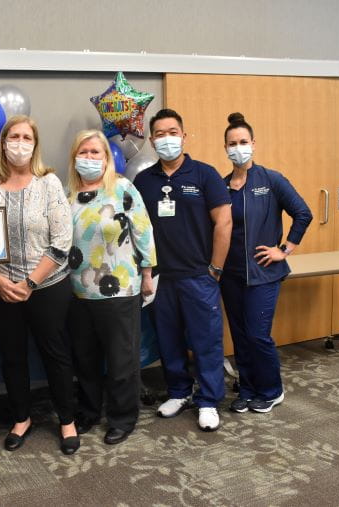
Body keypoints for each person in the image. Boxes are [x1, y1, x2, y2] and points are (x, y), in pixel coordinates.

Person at [0, 115, 80, 455]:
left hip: (47, 285)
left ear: (35, 144)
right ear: (3, 142)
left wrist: (30, 283)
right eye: (13, 136)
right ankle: (21, 418)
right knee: (12, 355)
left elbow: (62, 241)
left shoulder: (48, 183)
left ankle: (67, 420)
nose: (19, 143)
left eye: (26, 137)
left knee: (56, 353)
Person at [133, 108, 232, 432]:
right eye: (160, 134)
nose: (166, 139)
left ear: (184, 136)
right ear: (151, 140)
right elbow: (136, 229)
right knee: (168, 340)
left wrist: (215, 269)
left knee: (206, 342)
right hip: (161, 278)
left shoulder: (205, 175)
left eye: (172, 132)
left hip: (198, 277)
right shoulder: (143, 181)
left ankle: (208, 400)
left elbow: (224, 222)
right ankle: (179, 391)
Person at [66, 130, 157, 445]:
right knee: (86, 360)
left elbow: (143, 231)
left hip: (120, 290)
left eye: (96, 153)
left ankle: (122, 418)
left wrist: (147, 273)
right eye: (84, 152)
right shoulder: (69, 195)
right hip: (78, 291)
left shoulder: (122, 188)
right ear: (74, 158)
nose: (89, 158)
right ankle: (89, 412)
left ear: (107, 158)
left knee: (121, 359)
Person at [220, 112, 313, 413]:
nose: (238, 147)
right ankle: (247, 388)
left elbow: (303, 213)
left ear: (253, 144)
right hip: (231, 275)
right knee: (241, 335)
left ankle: (272, 390)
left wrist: (284, 249)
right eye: (232, 143)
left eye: (243, 141)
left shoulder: (271, 180)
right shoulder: (222, 187)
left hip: (264, 274)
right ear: (225, 148)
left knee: (258, 335)